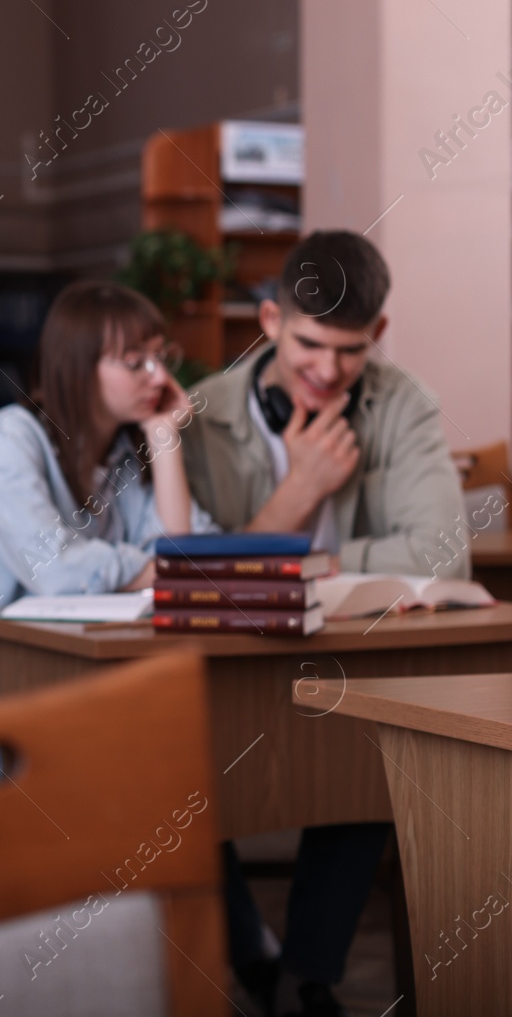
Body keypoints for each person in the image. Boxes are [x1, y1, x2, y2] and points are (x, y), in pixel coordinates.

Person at [182, 230, 466, 1017]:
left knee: (381, 756)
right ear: (270, 319)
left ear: (375, 336)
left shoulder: (402, 402)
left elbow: (445, 559)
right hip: (225, 667)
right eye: (309, 343)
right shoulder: (203, 414)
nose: (328, 370)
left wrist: (313, 561)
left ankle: (309, 976)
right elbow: (196, 574)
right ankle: (253, 956)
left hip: (346, 661)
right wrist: (299, 496)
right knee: (168, 766)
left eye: (349, 351)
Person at [0, 280, 214, 782]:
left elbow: (190, 559)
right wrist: (149, 568)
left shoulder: (123, 461)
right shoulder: (8, 439)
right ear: (79, 367)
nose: (160, 376)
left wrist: (164, 440)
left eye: (161, 357)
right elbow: (57, 569)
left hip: (50, 731)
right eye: (135, 361)